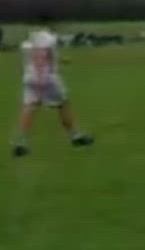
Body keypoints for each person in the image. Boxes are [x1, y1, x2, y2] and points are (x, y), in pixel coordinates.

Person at [12, 17, 95, 158]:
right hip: (46, 78)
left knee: (29, 107)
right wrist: (41, 79)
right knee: (64, 104)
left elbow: (38, 56)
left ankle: (20, 142)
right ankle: (76, 136)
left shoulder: (29, 39)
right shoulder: (47, 37)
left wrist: (61, 60)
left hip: (29, 77)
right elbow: (41, 56)